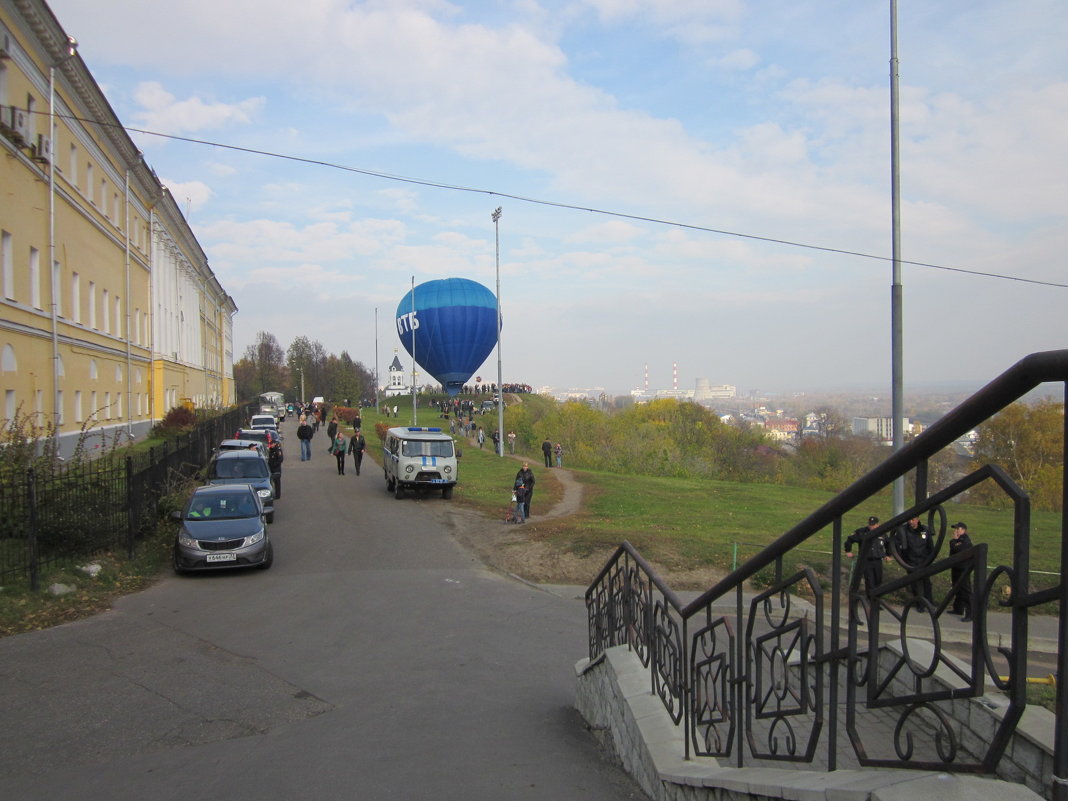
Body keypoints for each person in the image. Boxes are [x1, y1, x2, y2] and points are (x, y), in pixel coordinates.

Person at [844, 516, 887, 598]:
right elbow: (850, 540)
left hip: (878, 560)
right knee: (870, 580)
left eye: (873, 525)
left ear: (878, 525)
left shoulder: (882, 532)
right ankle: (871, 599)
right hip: (866, 560)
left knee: (878, 580)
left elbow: (888, 543)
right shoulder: (862, 532)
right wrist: (848, 551)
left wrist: (888, 554)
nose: (871, 526)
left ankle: (877, 599)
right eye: (870, 524)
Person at [896, 515, 935, 604]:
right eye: (909, 519)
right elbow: (896, 544)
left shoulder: (925, 530)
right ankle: (919, 603)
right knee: (915, 584)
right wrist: (903, 559)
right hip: (910, 561)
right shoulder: (903, 530)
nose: (911, 522)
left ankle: (930, 603)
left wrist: (930, 559)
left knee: (927, 583)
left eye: (913, 519)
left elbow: (930, 546)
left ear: (917, 519)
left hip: (924, 561)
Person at [949, 522, 974, 621]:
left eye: (957, 529)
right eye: (955, 529)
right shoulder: (958, 540)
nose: (955, 531)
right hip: (956, 567)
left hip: (963, 569)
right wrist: (954, 541)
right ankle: (958, 608)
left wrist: (954, 541)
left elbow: (955, 548)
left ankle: (970, 613)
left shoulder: (965, 541)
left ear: (963, 530)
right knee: (956, 588)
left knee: (965, 591)